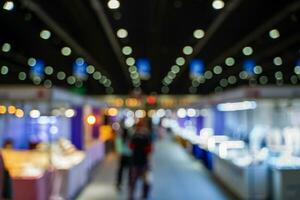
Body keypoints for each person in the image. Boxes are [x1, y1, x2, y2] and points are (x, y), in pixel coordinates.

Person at [128, 120, 153, 200]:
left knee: (133, 181)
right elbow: (149, 150)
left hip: (135, 161)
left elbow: (130, 146)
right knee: (146, 181)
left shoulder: (134, 135)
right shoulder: (147, 136)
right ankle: (145, 195)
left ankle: (131, 196)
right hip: (144, 161)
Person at [115, 124, 132, 191]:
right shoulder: (130, 139)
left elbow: (118, 150)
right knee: (130, 171)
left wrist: (118, 158)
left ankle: (119, 183)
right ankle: (130, 183)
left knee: (121, 171)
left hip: (123, 157)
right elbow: (132, 149)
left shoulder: (119, 139)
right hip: (129, 156)